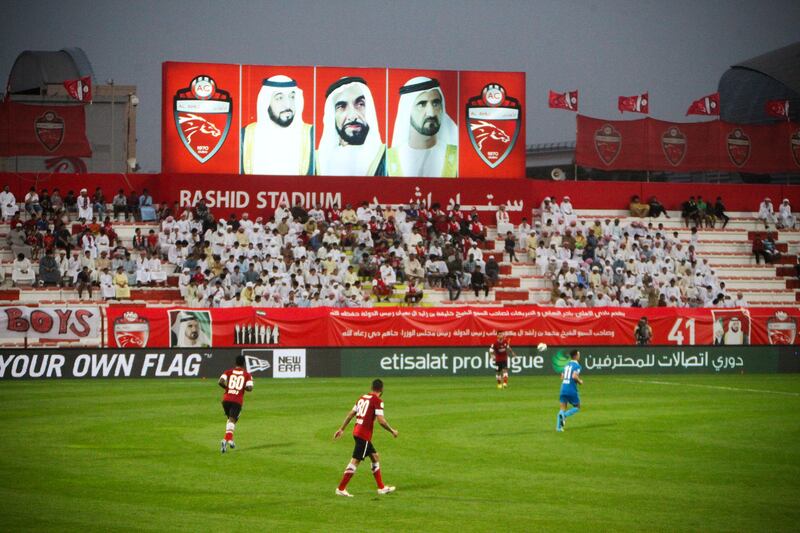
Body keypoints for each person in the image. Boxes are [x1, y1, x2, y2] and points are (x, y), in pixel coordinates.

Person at [333, 379, 398, 497]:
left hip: (357, 432)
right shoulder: (377, 401)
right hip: (363, 435)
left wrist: (342, 428)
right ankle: (341, 488)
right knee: (355, 461)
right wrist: (392, 430)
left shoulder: (362, 398)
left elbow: (350, 414)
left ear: (371, 387)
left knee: (375, 456)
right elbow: (381, 421)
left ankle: (381, 487)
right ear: (382, 389)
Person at [242, 75, 314, 175]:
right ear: (266, 103)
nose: (288, 105)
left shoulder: (311, 135)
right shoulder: (246, 135)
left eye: (292, 97)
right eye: (279, 98)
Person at [386, 77, 457, 177]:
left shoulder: (457, 157)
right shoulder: (387, 161)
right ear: (407, 110)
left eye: (436, 103)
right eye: (422, 104)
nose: (431, 113)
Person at [316, 77, 385, 176]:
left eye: (360, 104)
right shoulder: (315, 162)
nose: (353, 116)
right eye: (341, 107)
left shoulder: (386, 159)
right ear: (332, 115)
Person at [218, 355, 254, 453]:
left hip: (225, 400)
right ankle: (226, 440)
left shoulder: (228, 372)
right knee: (233, 419)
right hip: (236, 401)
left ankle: (230, 439)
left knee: (230, 420)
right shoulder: (247, 375)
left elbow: (220, 382)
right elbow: (250, 388)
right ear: (243, 364)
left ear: (236, 363)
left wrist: (228, 388)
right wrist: (242, 388)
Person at [556, 349, 583, 432]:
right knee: (577, 407)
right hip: (571, 389)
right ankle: (564, 416)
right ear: (575, 356)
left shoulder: (566, 365)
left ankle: (559, 428)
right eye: (578, 354)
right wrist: (580, 381)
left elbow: (562, 377)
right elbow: (574, 376)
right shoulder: (577, 366)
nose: (579, 356)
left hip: (563, 388)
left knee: (562, 408)